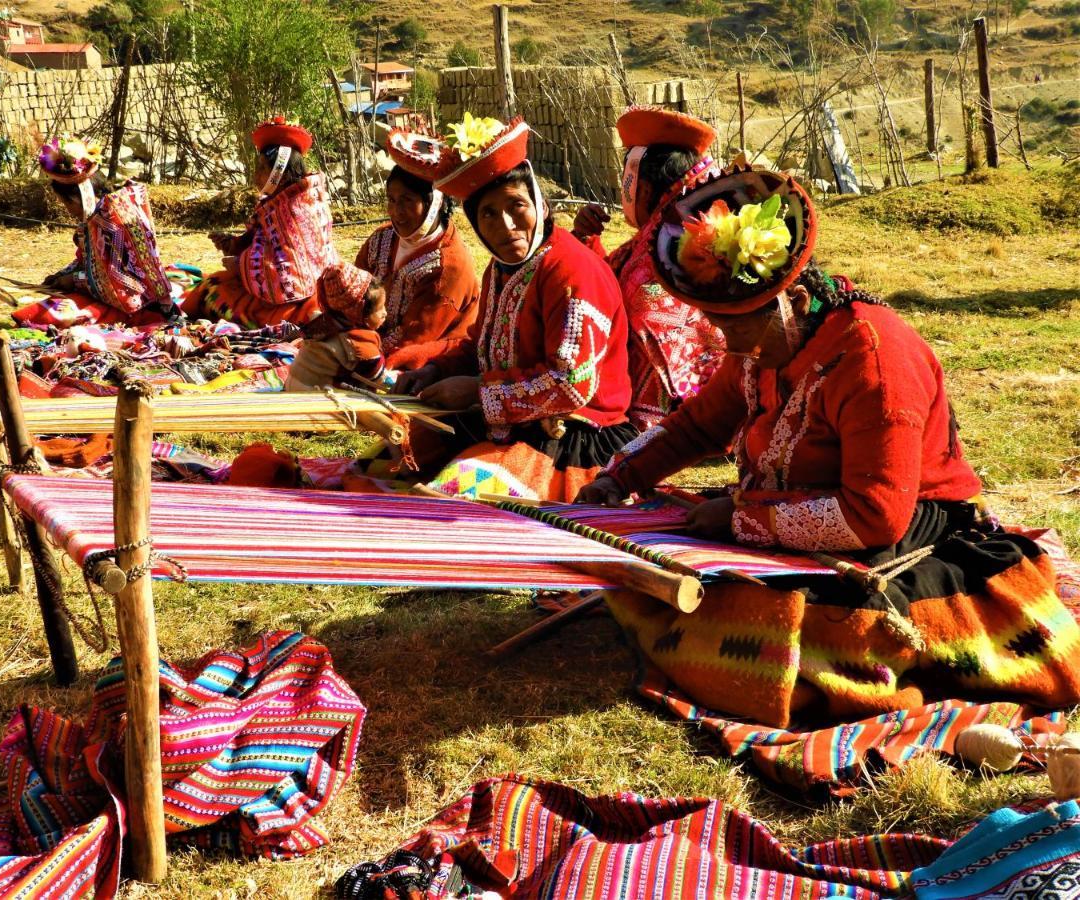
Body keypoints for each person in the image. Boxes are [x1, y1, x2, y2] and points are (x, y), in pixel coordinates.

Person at [576, 165, 1080, 727]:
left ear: (788, 300)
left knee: (784, 632)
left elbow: (875, 515)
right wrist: (620, 477)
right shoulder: (761, 346)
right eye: (717, 324)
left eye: (735, 326)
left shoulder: (874, 357)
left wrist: (743, 520)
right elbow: (698, 424)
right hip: (796, 507)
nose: (725, 341)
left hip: (906, 528)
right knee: (666, 584)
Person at [393, 115, 634, 502]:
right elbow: (485, 348)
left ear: (538, 201)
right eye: (488, 214)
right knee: (394, 461)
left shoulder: (571, 272)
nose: (505, 226)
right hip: (512, 424)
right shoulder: (502, 271)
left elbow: (571, 385)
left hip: (577, 438)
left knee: (450, 495)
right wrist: (434, 370)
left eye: (516, 206)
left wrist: (475, 392)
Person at [572, 107, 723, 431]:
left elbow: (611, 297)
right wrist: (586, 241)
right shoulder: (670, 232)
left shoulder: (671, 247)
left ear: (641, 188)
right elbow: (612, 281)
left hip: (672, 421)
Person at [183, 117, 340, 330]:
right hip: (286, 292)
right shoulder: (278, 204)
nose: (256, 176)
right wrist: (234, 244)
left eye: (261, 168)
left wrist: (239, 267)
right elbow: (268, 244)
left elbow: (288, 271)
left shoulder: (297, 207)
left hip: (293, 301)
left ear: (279, 173)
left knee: (210, 289)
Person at [352, 131, 481, 371]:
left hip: (424, 356)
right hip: (368, 339)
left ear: (434, 203)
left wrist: (358, 350)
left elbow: (416, 336)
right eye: (391, 200)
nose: (396, 211)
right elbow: (353, 290)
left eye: (407, 201)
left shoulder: (448, 266)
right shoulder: (382, 238)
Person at [35, 135, 174, 325]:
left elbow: (117, 284)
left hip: (144, 308)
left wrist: (73, 280)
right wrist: (61, 276)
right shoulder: (102, 212)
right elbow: (91, 262)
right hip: (130, 300)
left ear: (75, 199)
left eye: (64, 203)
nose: (66, 209)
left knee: (46, 315)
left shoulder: (110, 221)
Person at [285, 262, 389, 391]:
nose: (385, 312)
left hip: (291, 387)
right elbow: (381, 380)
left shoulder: (321, 324)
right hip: (314, 400)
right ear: (359, 313)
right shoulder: (359, 342)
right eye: (379, 309)